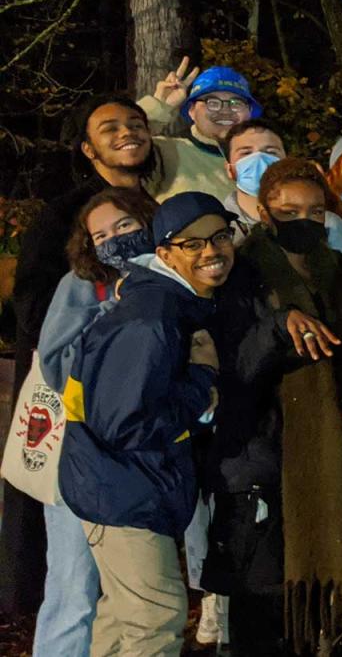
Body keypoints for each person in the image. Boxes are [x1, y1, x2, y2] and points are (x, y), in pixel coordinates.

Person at [206, 158, 342, 655]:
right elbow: (232, 368)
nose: (304, 219)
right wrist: (280, 324)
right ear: (263, 210)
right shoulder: (240, 272)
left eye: (316, 210)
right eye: (288, 209)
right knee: (260, 603)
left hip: (327, 456)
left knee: (318, 596)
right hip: (257, 458)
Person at [1, 93, 156, 616]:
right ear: (88, 148)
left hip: (142, 401)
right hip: (76, 395)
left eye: (136, 123)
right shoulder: (68, 214)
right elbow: (35, 301)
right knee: (69, 554)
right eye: (109, 127)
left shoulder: (158, 208)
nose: (127, 132)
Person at [58, 192, 231, 655]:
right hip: (123, 488)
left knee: (122, 618)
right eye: (192, 244)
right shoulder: (152, 318)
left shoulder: (167, 304)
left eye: (219, 237)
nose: (211, 251)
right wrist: (202, 382)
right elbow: (124, 425)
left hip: (119, 484)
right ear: (165, 251)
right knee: (156, 618)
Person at [30, 187, 158, 656]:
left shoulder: (179, 280)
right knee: (73, 585)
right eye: (99, 234)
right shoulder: (84, 285)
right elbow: (55, 362)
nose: (113, 240)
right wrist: (115, 310)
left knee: (132, 600)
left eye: (124, 226)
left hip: (150, 461)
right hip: (83, 455)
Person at [221, 119, 342, 263]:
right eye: (246, 153)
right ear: (230, 169)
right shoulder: (217, 226)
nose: (259, 159)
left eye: (270, 152)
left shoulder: (327, 224)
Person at [139, 58, 264, 202]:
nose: (225, 111)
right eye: (212, 103)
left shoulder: (265, 159)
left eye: (236, 103)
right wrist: (156, 109)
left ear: (249, 112)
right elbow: (116, 153)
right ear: (192, 110)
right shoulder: (164, 152)